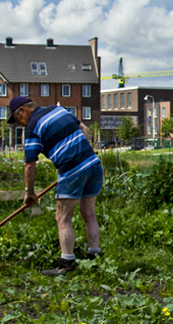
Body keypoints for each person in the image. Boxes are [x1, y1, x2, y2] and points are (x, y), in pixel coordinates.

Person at [8, 96, 103, 277]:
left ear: (23, 110)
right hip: (93, 165)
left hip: (72, 170)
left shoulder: (33, 127)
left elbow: (29, 165)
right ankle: (94, 257)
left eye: (17, 118)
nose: (19, 124)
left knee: (62, 217)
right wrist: (80, 151)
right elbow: (85, 129)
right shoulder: (58, 110)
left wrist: (30, 193)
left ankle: (66, 264)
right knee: (89, 214)